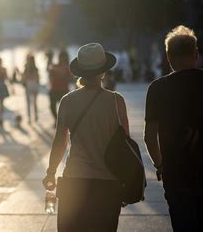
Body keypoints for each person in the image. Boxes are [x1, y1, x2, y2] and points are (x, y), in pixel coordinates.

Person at [144, 25, 203, 232]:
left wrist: (160, 164)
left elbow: (150, 137)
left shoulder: (157, 88)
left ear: (168, 56)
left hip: (176, 172)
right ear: (196, 54)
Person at [42, 43, 129, 231]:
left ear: (80, 71)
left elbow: (60, 142)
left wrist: (50, 172)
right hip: (108, 183)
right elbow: (126, 144)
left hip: (75, 182)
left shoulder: (67, 101)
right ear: (103, 72)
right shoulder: (116, 101)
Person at [48, 50, 72, 121]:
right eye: (60, 56)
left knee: (63, 109)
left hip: (64, 91)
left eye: (63, 57)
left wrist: (64, 77)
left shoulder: (68, 67)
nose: (61, 58)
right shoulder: (54, 66)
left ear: (66, 58)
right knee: (52, 107)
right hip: (53, 89)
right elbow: (50, 75)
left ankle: (60, 122)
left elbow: (71, 79)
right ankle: (56, 120)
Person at [22, 53, 40, 124]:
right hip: (34, 85)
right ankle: (35, 116)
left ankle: (30, 117)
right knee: (34, 102)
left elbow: (24, 77)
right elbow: (37, 78)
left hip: (29, 85)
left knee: (29, 102)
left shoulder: (26, 68)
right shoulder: (35, 68)